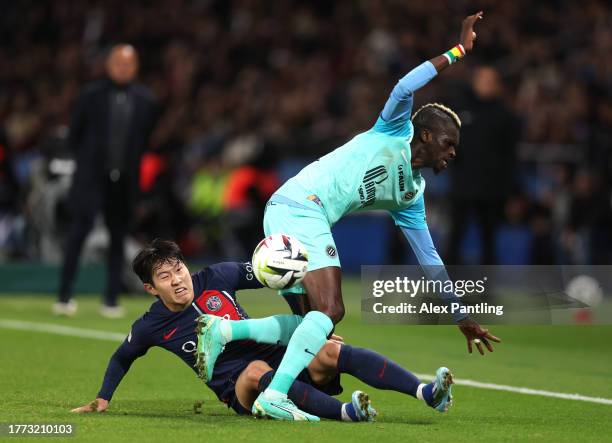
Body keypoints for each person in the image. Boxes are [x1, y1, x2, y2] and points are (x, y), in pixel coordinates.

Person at [197, 12, 501, 421]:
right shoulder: (393, 130)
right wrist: (459, 51)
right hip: (301, 207)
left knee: (314, 326)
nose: (452, 153)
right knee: (332, 310)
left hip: (289, 212)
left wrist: (459, 312)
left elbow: (430, 259)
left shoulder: (412, 194)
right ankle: (275, 394)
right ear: (425, 135)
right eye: (448, 143)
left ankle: (225, 333)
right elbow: (405, 85)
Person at [71, 239, 454, 422]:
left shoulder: (217, 276)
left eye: (178, 269)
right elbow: (123, 356)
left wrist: (307, 327)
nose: (178, 279)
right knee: (255, 373)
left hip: (277, 355)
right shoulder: (152, 325)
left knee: (330, 352)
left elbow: (280, 276)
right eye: (165, 276)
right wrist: (103, 397)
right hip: (236, 386)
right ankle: (346, 413)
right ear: (151, 289)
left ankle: (426, 392)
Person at [53, 44, 158, 318]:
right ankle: (64, 295)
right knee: (78, 234)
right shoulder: (91, 95)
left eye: (129, 64)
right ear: (109, 65)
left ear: (135, 67)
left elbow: (143, 141)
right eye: (118, 63)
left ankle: (111, 299)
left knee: (117, 239)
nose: (123, 68)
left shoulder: (145, 100)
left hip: (123, 181)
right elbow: (75, 135)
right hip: (91, 179)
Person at [447, 66, 519, 264]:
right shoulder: (459, 109)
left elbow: (510, 156)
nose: (486, 85)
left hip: (491, 190)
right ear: (474, 82)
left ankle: (485, 290)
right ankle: (444, 288)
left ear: (497, 86)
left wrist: (509, 189)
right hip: (461, 187)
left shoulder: (505, 116)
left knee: (489, 241)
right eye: (483, 80)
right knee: (454, 237)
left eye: (491, 81)